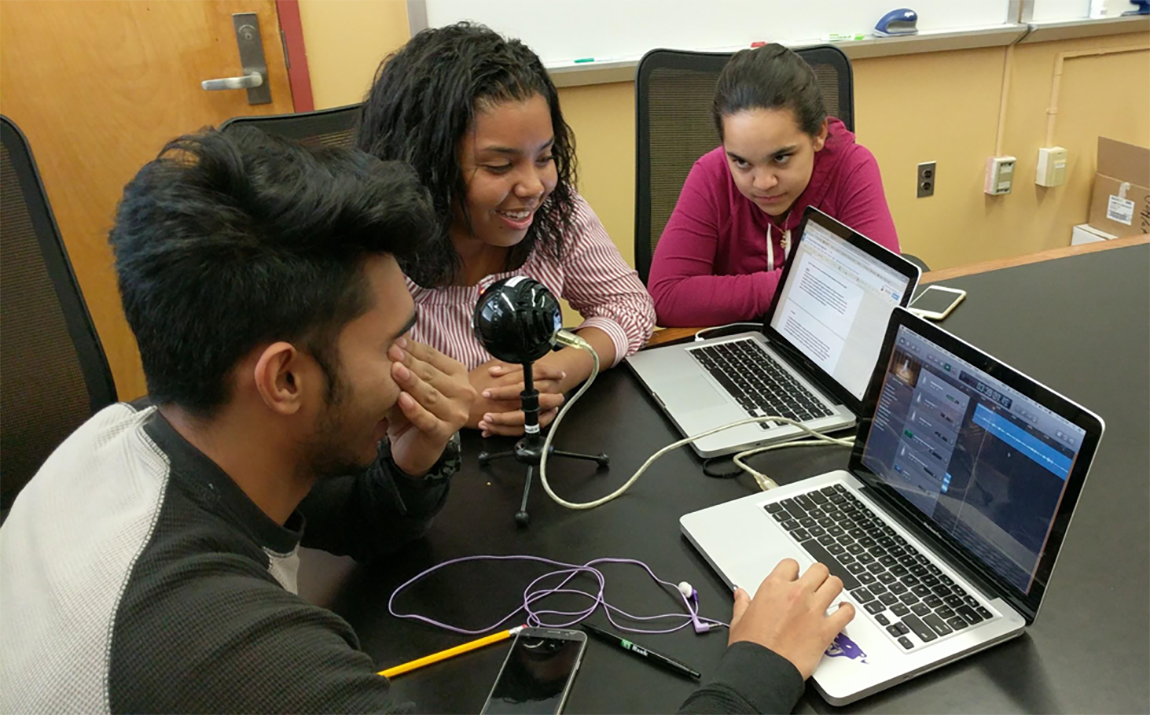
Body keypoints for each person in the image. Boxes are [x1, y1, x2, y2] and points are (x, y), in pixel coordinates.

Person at [0, 128, 853, 714]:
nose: (414, 364)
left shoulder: (118, 438)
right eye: (392, 344)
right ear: (285, 377)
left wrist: (408, 455)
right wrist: (760, 667)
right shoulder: (240, 660)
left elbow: (345, 516)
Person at [355, 23, 656, 439]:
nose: (533, 186)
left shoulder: (554, 215)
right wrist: (453, 406)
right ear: (426, 165)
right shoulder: (372, 259)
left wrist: (559, 369)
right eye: (499, 166)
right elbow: (343, 405)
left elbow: (629, 305)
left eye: (545, 157)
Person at [648, 43, 901, 328]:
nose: (763, 183)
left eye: (781, 158)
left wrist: (735, 292)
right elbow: (666, 297)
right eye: (741, 162)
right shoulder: (711, 173)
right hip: (733, 345)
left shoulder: (852, 166)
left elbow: (881, 288)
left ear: (818, 134)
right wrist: (798, 283)